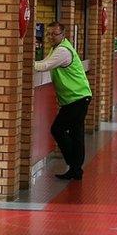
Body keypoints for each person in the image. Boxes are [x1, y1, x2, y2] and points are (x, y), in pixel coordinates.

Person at [33, 21, 92, 181]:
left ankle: (74, 164)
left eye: (55, 34)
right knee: (75, 133)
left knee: (58, 129)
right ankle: (76, 169)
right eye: (49, 34)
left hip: (77, 98)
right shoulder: (56, 49)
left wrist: (24, 64)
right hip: (75, 98)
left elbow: (44, 65)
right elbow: (45, 62)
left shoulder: (63, 51)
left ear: (63, 34)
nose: (51, 37)